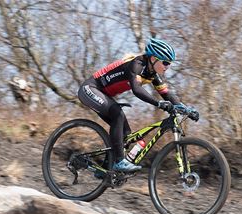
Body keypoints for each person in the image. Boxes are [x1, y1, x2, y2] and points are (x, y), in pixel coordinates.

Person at [78, 38, 199, 173]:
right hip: (90, 88)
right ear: (154, 58)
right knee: (117, 113)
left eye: (169, 64)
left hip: (104, 94)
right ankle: (118, 162)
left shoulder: (152, 73)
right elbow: (137, 90)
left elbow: (167, 94)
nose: (167, 67)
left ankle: (105, 169)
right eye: (165, 63)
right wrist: (158, 104)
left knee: (126, 135)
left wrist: (185, 109)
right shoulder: (136, 64)